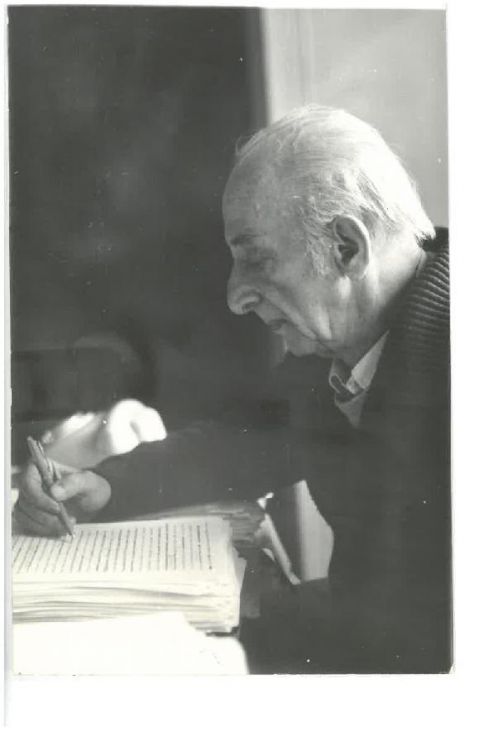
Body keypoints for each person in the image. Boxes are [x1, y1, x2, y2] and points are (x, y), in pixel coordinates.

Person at [14, 105, 450, 673]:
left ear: (347, 247)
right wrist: (103, 486)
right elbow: (240, 443)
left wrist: (261, 620)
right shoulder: (338, 347)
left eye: (257, 259)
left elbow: (424, 637)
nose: (235, 297)